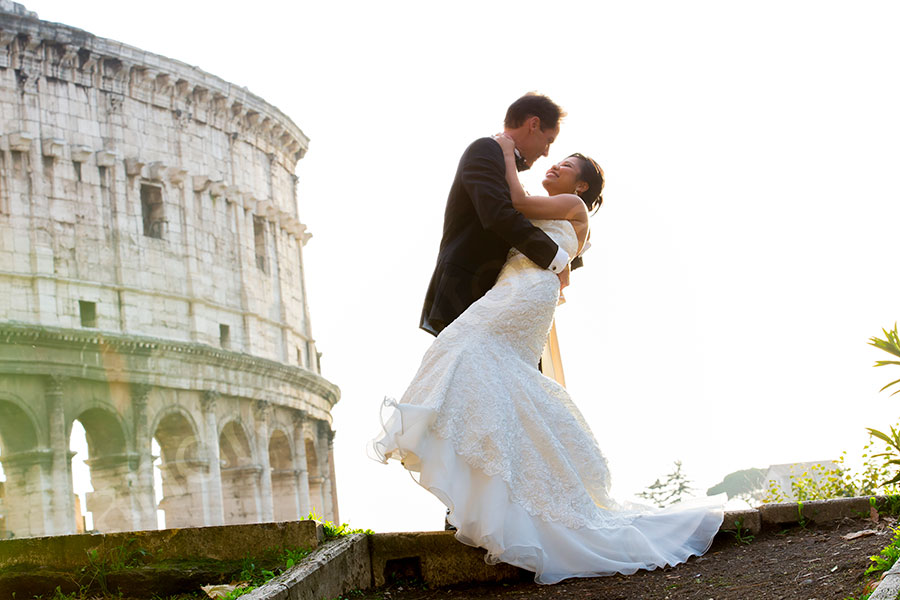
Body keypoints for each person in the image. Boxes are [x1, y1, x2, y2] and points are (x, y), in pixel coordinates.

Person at [370, 130, 726, 583]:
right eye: (557, 160)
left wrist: (503, 150)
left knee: (463, 350)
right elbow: (562, 265)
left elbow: (513, 202)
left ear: (581, 187)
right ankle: (502, 486)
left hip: (524, 289)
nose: (555, 165)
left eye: (568, 165)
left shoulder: (572, 208)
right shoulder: (563, 211)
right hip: (515, 287)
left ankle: (484, 474)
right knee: (496, 372)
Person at [419, 92, 570, 337]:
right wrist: (556, 257)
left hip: (485, 292)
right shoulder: (485, 149)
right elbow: (497, 214)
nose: (546, 153)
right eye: (549, 140)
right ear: (534, 124)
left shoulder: (502, 161)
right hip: (464, 285)